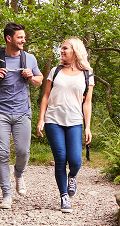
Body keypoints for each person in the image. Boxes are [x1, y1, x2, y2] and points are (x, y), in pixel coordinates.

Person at [0, 22, 43, 209]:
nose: (24, 40)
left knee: (23, 152)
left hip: (23, 112)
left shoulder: (29, 58)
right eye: (20, 37)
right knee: (2, 153)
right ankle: (6, 195)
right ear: (9, 38)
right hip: (0, 112)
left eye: (24, 37)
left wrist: (31, 76)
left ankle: (19, 174)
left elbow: (39, 81)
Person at [37, 37, 94, 213]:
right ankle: (64, 197)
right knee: (60, 159)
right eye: (61, 49)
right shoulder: (55, 71)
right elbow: (46, 96)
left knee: (76, 160)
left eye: (65, 48)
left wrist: (87, 127)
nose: (61, 51)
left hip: (75, 121)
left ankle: (73, 176)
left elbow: (87, 103)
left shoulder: (87, 74)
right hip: (53, 120)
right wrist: (41, 119)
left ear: (75, 51)